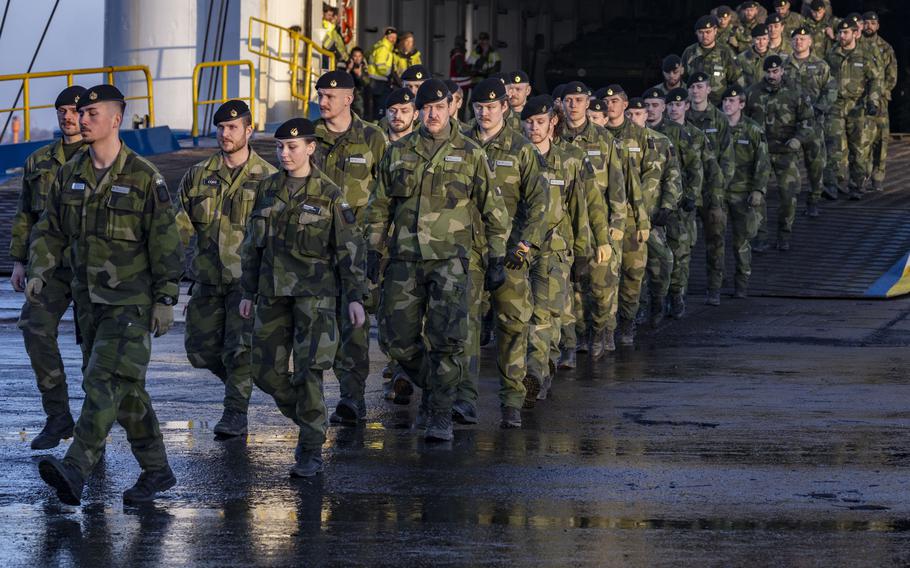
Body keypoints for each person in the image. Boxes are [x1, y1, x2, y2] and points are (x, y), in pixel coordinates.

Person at [30, 84, 183, 505]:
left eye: (92, 112)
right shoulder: (70, 173)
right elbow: (49, 229)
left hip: (130, 304)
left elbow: (167, 243)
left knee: (102, 381)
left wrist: (166, 298)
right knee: (126, 390)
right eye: (81, 113)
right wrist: (41, 269)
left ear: (116, 119)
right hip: (89, 305)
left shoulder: (143, 177)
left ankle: (75, 469)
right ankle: (157, 471)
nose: (82, 119)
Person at [366, 78, 510, 440]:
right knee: (395, 340)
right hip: (403, 259)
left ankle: (441, 414)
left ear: (451, 108)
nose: (432, 114)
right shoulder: (398, 152)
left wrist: (496, 258)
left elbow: (493, 210)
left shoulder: (470, 152)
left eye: (439, 107)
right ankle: (435, 386)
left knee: (447, 340)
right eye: (426, 108)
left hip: (450, 261)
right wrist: (371, 248)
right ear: (418, 110)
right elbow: (379, 205)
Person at [240, 117, 366, 477]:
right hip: (272, 295)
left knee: (310, 372)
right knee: (264, 371)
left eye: (292, 147)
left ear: (310, 148)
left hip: (315, 298)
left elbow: (349, 250)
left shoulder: (329, 195)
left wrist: (354, 296)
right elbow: (252, 246)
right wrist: (247, 291)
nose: (285, 153)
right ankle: (314, 421)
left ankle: (310, 449)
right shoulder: (267, 189)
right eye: (279, 147)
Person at [175, 100, 276, 439]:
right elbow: (179, 226)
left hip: (246, 283)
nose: (224, 134)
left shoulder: (269, 179)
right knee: (199, 352)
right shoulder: (198, 175)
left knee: (239, 349)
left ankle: (235, 413)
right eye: (220, 128)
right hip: (205, 278)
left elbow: (277, 237)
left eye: (232, 127)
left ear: (249, 130)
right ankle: (241, 379)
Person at [461, 77, 547, 425]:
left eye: (491, 107)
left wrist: (525, 246)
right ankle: (464, 399)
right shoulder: (460, 144)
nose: (484, 113)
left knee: (512, 327)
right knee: (465, 328)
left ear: (504, 108)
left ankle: (511, 400)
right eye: (479, 107)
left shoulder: (520, 148)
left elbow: (539, 202)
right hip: (467, 253)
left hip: (509, 255)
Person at [10, 85, 85, 450]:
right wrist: (19, 261)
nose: (68, 117)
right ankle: (58, 417)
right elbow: (26, 213)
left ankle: (92, 431)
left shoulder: (103, 158)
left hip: (93, 268)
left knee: (95, 351)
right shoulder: (39, 161)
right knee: (35, 329)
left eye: (74, 110)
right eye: (62, 111)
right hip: (48, 267)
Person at [311, 70, 387, 425]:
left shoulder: (373, 138)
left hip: (356, 248)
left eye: (329, 96)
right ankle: (310, 401)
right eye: (319, 95)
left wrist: (377, 247)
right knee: (312, 324)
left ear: (348, 98)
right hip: (313, 247)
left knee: (354, 324)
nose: (322, 102)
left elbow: (384, 196)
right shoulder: (308, 137)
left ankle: (351, 398)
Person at [521, 95, 594, 400]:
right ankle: (536, 369)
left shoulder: (569, 159)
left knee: (544, 316)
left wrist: (584, 254)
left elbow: (581, 209)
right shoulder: (514, 158)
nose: (533, 128)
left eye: (540, 122)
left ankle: (536, 375)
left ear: (553, 122)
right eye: (528, 122)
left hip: (554, 251)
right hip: (519, 250)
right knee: (519, 318)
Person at [559, 81, 626, 358]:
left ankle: (600, 331)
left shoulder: (603, 139)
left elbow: (617, 183)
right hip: (565, 226)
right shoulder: (554, 136)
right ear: (562, 104)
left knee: (601, 288)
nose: (573, 105)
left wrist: (618, 222)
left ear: (588, 103)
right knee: (571, 289)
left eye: (579, 100)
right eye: (569, 100)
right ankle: (575, 340)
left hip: (598, 224)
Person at [643, 87, 704, 319]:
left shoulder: (676, 133)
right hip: (650, 206)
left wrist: (691, 195)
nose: (651, 110)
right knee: (653, 256)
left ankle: (676, 295)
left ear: (664, 107)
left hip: (677, 204)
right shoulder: (640, 133)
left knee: (679, 251)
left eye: (655, 105)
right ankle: (653, 299)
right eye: (647, 105)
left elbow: (694, 167)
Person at [601, 85, 654, 346]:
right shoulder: (599, 136)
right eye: (606, 101)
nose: (610, 106)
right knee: (606, 277)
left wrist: (643, 217)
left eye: (615, 101)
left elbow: (648, 179)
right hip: (605, 218)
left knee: (633, 274)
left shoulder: (641, 136)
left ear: (624, 105)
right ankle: (606, 328)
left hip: (633, 218)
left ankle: (627, 321)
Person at [745, 55, 813, 252]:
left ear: (782, 71)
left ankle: (784, 234)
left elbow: (808, 121)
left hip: (786, 152)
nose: (772, 75)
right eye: (768, 72)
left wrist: (798, 139)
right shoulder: (753, 93)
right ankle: (761, 236)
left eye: (775, 71)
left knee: (788, 195)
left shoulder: (795, 92)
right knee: (757, 196)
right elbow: (743, 121)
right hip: (761, 153)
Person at [625, 97, 681, 327]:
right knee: (632, 269)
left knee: (661, 263)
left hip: (653, 214)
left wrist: (668, 206)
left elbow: (673, 177)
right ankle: (637, 309)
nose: (634, 118)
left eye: (639, 114)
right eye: (630, 114)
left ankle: (658, 301)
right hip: (627, 218)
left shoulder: (661, 142)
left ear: (646, 115)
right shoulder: (616, 143)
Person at [824, 20, 883, 200]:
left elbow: (876, 79)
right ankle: (832, 185)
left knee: (858, 149)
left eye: (846, 33)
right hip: (835, 106)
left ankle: (857, 186)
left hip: (857, 107)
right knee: (833, 147)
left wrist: (873, 101)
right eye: (840, 33)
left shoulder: (865, 55)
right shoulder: (832, 54)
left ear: (855, 33)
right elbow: (823, 77)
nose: (842, 36)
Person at [686, 71, 731, 306]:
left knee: (715, 242)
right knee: (684, 242)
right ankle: (680, 290)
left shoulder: (719, 119)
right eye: (692, 87)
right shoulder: (681, 118)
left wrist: (719, 188)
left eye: (700, 86)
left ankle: (714, 288)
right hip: (688, 192)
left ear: (708, 89)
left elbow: (727, 158)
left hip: (712, 192)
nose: (696, 91)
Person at [720, 86, 769, 298]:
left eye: (732, 101)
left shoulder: (753, 130)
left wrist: (758, 189)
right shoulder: (716, 127)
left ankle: (742, 284)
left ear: (741, 104)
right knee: (716, 241)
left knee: (742, 241)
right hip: (719, 192)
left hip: (742, 193)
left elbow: (763, 162)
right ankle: (717, 283)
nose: (727, 104)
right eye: (725, 101)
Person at [786, 26, 836, 213]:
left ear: (810, 42)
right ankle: (789, 201)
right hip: (790, 124)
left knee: (815, 165)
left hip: (813, 123)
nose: (799, 42)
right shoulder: (784, 66)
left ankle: (814, 199)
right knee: (789, 165)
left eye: (803, 38)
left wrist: (819, 108)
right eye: (795, 39)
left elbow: (831, 90)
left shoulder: (821, 65)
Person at [862, 12, 897, 192]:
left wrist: (880, 92)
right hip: (859, 99)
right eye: (866, 22)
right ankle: (862, 174)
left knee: (881, 139)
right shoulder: (856, 45)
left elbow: (892, 75)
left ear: (878, 26)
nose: (869, 26)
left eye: (872, 23)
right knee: (862, 139)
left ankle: (878, 176)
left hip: (881, 100)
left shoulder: (885, 47)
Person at [681, 15, 741, 106]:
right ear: (696, 33)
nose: (705, 36)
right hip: (694, 106)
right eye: (701, 32)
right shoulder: (689, 52)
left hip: (719, 107)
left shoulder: (726, 52)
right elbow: (682, 80)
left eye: (708, 32)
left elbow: (736, 80)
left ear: (715, 30)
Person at [367, 27, 398, 120]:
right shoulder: (384, 48)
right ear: (386, 37)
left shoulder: (384, 47)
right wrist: (389, 74)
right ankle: (378, 126)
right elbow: (380, 65)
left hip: (378, 81)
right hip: (379, 81)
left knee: (379, 106)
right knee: (380, 107)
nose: (393, 39)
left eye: (395, 38)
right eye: (391, 37)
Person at [737, 24, 771, 88]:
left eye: (764, 39)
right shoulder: (741, 58)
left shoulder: (774, 57)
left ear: (768, 39)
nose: (761, 42)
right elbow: (738, 80)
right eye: (758, 39)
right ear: (753, 40)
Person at [346, 46, 369, 118]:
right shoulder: (346, 66)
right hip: (347, 97)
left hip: (359, 99)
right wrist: (348, 70)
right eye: (355, 56)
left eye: (359, 56)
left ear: (362, 57)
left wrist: (360, 75)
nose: (357, 58)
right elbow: (342, 81)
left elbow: (367, 83)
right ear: (351, 57)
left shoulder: (364, 67)